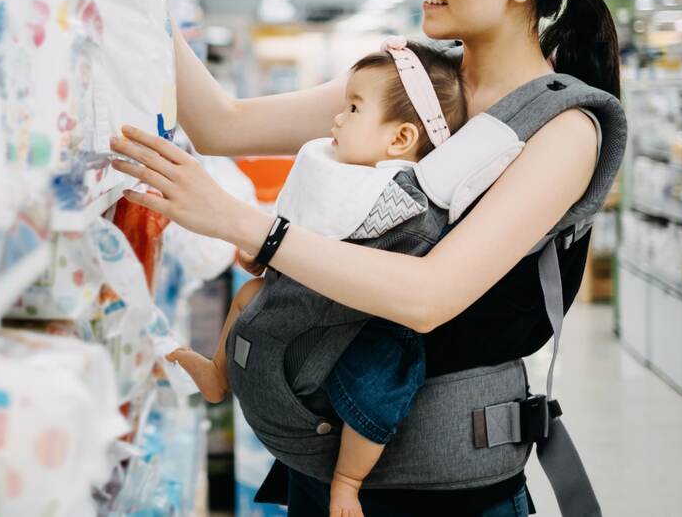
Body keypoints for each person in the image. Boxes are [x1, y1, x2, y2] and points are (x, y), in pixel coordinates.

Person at [109, 0, 623, 516]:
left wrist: (250, 225)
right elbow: (221, 125)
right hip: (317, 467)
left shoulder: (563, 128)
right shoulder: (411, 80)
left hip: (447, 491)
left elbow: (428, 296)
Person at [166, 39, 467, 517]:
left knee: (377, 380)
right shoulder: (342, 172)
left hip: (357, 328)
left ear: (400, 139)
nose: (338, 118)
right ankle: (217, 375)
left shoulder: (399, 200)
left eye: (354, 108)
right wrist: (268, 256)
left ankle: (348, 480)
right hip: (301, 298)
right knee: (249, 294)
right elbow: (303, 236)